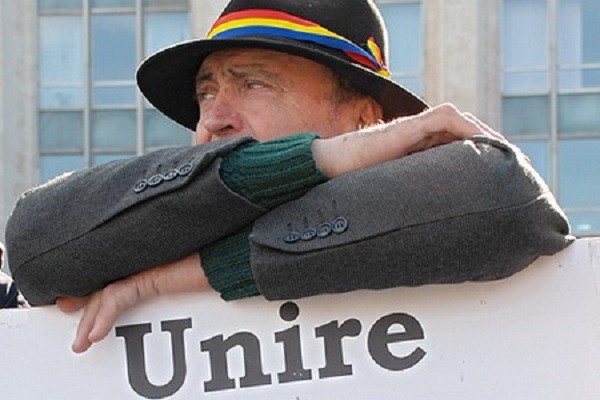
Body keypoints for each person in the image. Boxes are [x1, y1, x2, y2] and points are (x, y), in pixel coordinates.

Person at [4, 0, 572, 353]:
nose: (212, 119)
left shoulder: (447, 209)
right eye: (206, 92)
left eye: (254, 84)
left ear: (364, 120)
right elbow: (34, 242)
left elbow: (503, 196)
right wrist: (318, 158)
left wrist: (169, 279)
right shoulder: (156, 217)